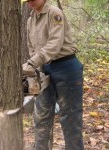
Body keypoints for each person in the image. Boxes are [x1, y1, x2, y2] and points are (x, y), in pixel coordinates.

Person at [22, 0, 84, 149]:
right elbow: (32, 46)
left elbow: (54, 45)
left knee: (70, 119)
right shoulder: (30, 20)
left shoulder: (55, 14)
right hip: (44, 69)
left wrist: (32, 63)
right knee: (41, 117)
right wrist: (34, 70)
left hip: (66, 68)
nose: (30, 1)